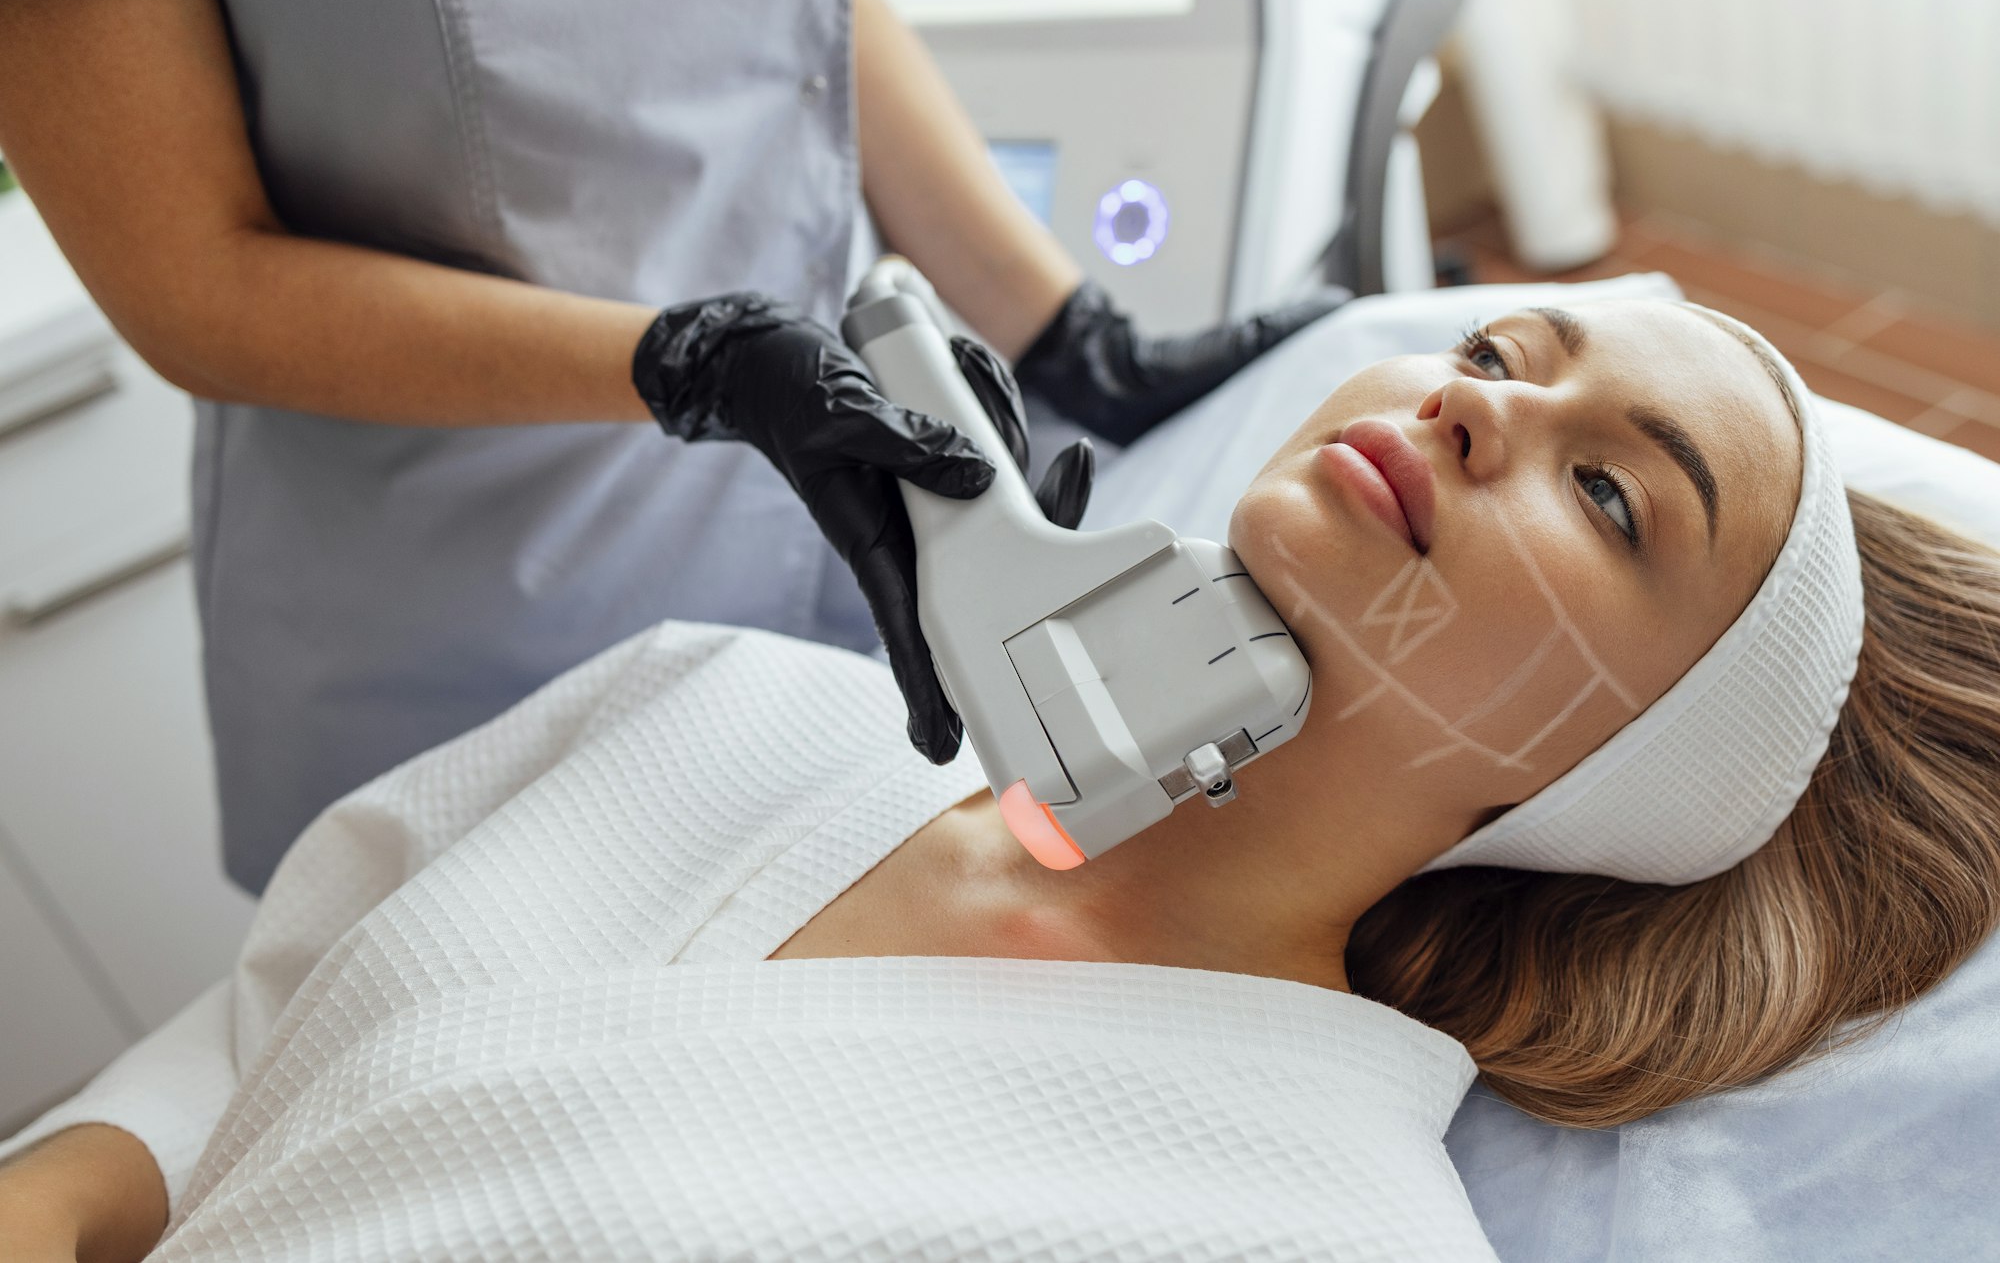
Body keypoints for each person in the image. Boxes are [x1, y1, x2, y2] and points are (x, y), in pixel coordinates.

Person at [5, 298, 1998, 1259]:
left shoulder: (1315, 1233)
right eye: (1498, 346)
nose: (1478, 403)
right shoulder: (726, 707)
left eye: (1605, 486)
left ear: (1623, 774)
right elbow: (218, 1068)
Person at [0, 0, 1343, 894]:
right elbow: (193, 282)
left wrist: (1063, 332)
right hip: (477, 605)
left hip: (828, 505)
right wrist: (693, 364)